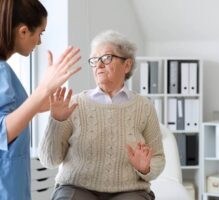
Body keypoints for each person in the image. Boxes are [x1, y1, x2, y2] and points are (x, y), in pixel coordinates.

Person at [38, 30, 165, 200]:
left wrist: (145, 168)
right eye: (94, 60)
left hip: (129, 190)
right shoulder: (73, 104)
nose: (98, 65)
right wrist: (56, 121)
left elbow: (158, 158)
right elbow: (49, 161)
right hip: (77, 186)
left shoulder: (144, 107)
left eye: (106, 58)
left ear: (126, 65)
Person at [0, 0, 81, 199]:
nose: (40, 42)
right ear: (23, 31)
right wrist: (42, 92)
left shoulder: (5, 71)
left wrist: (37, 106)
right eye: (40, 33)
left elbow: (10, 117)